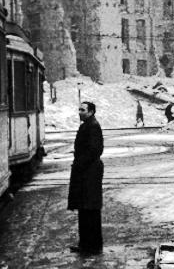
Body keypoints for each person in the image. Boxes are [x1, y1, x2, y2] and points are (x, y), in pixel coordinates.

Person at [68, 101, 104, 256]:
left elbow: (95, 150)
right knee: (85, 209)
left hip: (88, 173)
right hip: (86, 172)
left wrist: (80, 164)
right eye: (79, 109)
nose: (80, 112)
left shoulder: (92, 126)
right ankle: (86, 244)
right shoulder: (88, 125)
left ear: (91, 112)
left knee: (89, 209)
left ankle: (91, 246)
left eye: (83, 110)